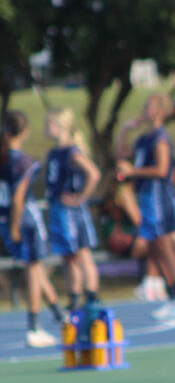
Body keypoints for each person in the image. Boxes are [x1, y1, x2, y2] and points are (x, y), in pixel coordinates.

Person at [115, 94, 175, 319]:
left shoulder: (160, 138)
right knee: (156, 248)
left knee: (164, 246)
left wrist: (133, 172)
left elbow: (162, 170)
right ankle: (173, 295)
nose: (143, 109)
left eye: (148, 106)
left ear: (160, 112)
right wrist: (124, 130)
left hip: (159, 197)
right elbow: (120, 155)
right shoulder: (143, 139)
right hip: (147, 198)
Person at [0, 111, 66, 346]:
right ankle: (34, 326)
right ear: (25, 132)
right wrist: (16, 225)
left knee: (34, 268)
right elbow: (18, 198)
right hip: (24, 219)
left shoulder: (4, 158)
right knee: (35, 268)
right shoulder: (22, 161)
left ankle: (58, 313)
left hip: (5, 219)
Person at [44, 108, 102, 310]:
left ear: (60, 126)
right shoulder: (53, 153)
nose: (45, 127)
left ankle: (92, 296)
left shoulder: (72, 152)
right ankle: (74, 298)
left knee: (81, 253)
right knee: (67, 256)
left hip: (71, 212)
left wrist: (80, 198)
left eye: (49, 123)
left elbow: (94, 174)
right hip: (57, 209)